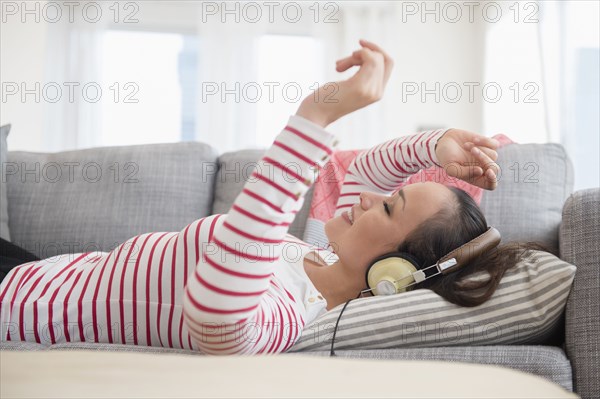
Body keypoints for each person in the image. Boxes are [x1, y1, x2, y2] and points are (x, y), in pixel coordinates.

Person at [0, 40, 517, 355]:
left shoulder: (283, 314)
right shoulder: (319, 259)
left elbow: (216, 313)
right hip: (37, 269)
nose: (369, 196)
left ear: (394, 276)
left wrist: (314, 119)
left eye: (387, 206)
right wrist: (434, 146)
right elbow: (367, 168)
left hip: (15, 304)